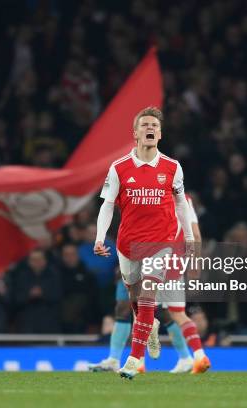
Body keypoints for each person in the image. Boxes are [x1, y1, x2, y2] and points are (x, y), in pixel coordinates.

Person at [93, 106, 209, 379]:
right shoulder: (119, 168)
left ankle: (134, 359)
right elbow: (107, 205)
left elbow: (181, 205)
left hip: (161, 241)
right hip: (128, 244)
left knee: (148, 294)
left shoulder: (172, 167)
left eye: (154, 126)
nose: (150, 129)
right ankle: (150, 328)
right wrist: (99, 238)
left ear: (160, 133)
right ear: (135, 133)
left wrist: (190, 241)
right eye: (144, 125)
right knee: (135, 300)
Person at [88, 193, 202, 374]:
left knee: (161, 312)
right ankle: (118, 359)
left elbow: (189, 233)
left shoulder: (165, 196)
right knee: (126, 308)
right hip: (129, 254)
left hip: (154, 256)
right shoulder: (127, 186)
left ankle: (181, 357)